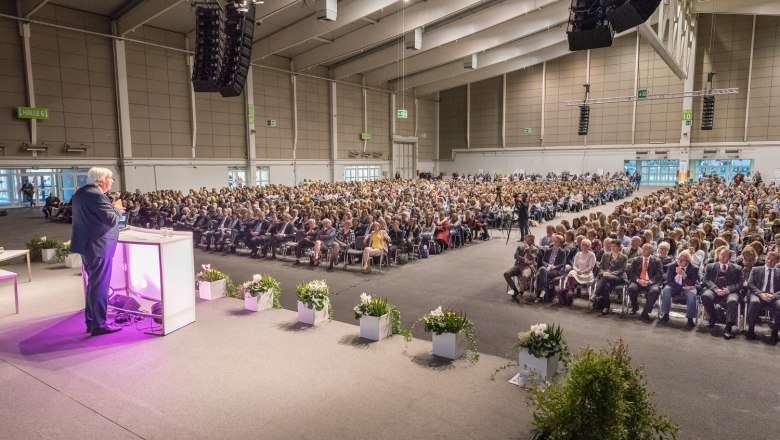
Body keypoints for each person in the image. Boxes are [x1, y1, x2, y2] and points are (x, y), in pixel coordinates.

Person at [71, 167, 125, 336]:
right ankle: (99, 325)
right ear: (100, 180)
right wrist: (116, 207)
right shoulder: (97, 195)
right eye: (110, 179)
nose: (112, 182)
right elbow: (111, 219)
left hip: (88, 245)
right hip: (98, 246)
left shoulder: (81, 192)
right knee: (100, 286)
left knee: (93, 285)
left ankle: (91, 321)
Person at [701, 247, 743, 339]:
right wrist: (715, 289)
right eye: (721, 255)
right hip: (714, 290)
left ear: (729, 258)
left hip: (730, 291)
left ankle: (728, 327)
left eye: (725, 256)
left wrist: (728, 290)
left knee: (733, 301)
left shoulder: (737, 268)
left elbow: (740, 283)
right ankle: (712, 316)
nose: (722, 257)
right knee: (705, 296)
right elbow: (706, 280)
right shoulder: (710, 266)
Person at [745, 251, 780, 342]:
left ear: (777, 261)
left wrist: (773, 296)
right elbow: (750, 284)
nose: (769, 261)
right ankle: (751, 330)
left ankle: (775, 331)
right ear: (765, 258)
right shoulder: (756, 269)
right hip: (758, 294)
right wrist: (760, 294)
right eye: (768, 258)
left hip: (774, 296)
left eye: (772, 260)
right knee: (754, 302)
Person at [659, 250, 700, 328]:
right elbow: (669, 281)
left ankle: (690, 319)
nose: (679, 261)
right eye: (678, 259)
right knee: (666, 289)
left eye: (682, 260)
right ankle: (665, 314)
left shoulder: (694, 268)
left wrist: (684, 275)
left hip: (688, 287)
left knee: (692, 294)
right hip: (674, 286)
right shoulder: (672, 266)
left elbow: (692, 283)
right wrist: (680, 287)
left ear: (688, 261)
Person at [626, 243, 664, 322]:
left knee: (654, 291)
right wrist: (638, 280)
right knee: (631, 288)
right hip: (638, 281)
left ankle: (645, 312)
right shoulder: (636, 259)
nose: (644, 250)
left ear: (651, 251)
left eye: (647, 249)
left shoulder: (657, 261)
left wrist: (649, 281)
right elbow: (632, 273)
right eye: (643, 248)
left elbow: (659, 274)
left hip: (651, 282)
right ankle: (635, 307)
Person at [592, 240, 627, 315]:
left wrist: (610, 273)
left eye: (614, 246)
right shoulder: (605, 255)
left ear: (619, 247)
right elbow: (600, 267)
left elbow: (622, 270)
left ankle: (595, 294)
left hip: (618, 278)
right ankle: (606, 307)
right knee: (606, 285)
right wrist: (603, 272)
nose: (612, 248)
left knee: (606, 278)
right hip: (606, 277)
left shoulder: (624, 257)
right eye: (611, 246)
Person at [504, 234, 539, 302]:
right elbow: (516, 256)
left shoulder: (535, 249)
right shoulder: (520, 247)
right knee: (506, 274)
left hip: (528, 267)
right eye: (524, 239)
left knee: (525, 276)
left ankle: (521, 293)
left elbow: (532, 258)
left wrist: (528, 250)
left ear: (531, 241)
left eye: (526, 240)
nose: (524, 241)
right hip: (518, 265)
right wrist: (525, 260)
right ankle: (514, 290)